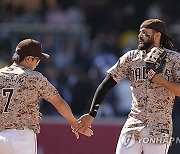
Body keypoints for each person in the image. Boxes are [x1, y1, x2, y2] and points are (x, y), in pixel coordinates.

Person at [73, 19, 180, 154]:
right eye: (140, 32)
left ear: (157, 35)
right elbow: (106, 85)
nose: (140, 36)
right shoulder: (131, 57)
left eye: (145, 33)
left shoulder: (174, 59)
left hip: (159, 126)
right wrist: (91, 114)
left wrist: (162, 81)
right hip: (133, 122)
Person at [0, 38, 93, 154]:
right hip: (22, 137)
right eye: (37, 59)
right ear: (29, 58)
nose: (38, 63)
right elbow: (58, 102)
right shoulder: (34, 77)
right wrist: (74, 122)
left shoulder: (1, 74)